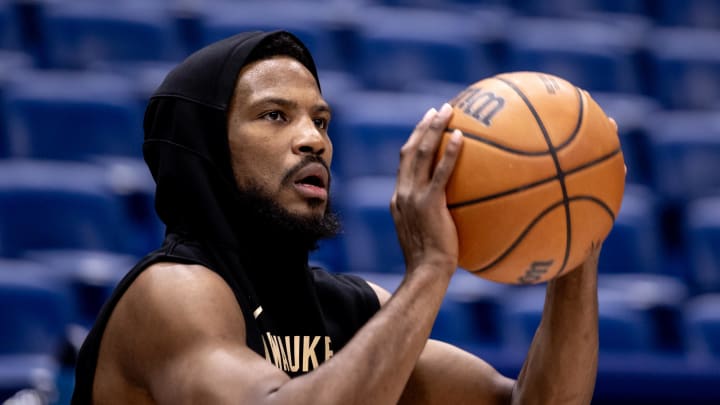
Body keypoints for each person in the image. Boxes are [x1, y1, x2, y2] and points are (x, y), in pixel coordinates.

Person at [71, 30, 601, 405]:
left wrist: (575, 234)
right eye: (275, 115)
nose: (314, 140)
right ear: (205, 147)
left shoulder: (347, 309)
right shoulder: (172, 291)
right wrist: (431, 268)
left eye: (320, 120)